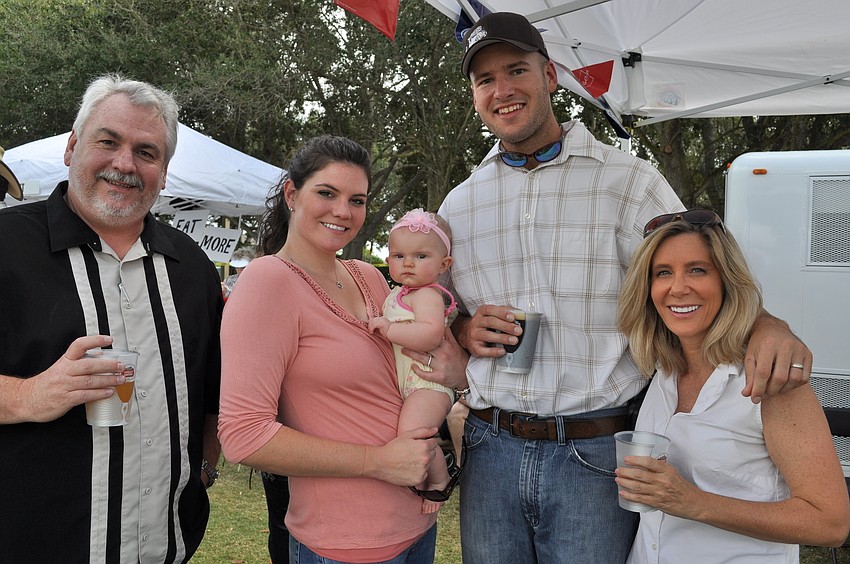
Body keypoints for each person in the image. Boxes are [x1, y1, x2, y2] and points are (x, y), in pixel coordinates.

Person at [407, 11, 814, 564]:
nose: (502, 90)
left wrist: (768, 323)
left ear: (550, 77)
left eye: (516, 70)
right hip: (489, 446)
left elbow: (702, 269)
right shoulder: (461, 203)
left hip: (596, 453)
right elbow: (442, 305)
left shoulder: (628, 182)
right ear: (475, 95)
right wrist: (460, 323)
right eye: (485, 80)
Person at [0, 74, 222, 563]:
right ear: (72, 146)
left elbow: (212, 392)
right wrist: (26, 395)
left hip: (167, 548)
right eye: (108, 141)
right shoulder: (6, 247)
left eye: (147, 152)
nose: (125, 163)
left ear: (163, 173)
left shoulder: (193, 268)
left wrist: (205, 468)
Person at [217, 135, 442, 563]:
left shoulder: (370, 277)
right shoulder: (269, 282)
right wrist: (377, 462)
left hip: (418, 526)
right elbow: (243, 437)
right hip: (344, 545)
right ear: (291, 194)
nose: (343, 211)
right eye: (326, 193)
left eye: (357, 200)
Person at [616, 209, 850, 562]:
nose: (678, 288)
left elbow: (829, 523)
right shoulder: (661, 370)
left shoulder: (771, 379)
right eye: (663, 273)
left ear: (726, 281)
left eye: (698, 270)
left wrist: (693, 502)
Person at [368, 208, 457, 514]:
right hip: (410, 384)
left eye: (421, 256)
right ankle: (425, 475)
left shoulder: (428, 295)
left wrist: (390, 329)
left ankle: (439, 477)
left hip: (428, 383)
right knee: (409, 428)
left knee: (414, 429)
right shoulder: (399, 293)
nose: (407, 263)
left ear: (444, 264)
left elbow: (431, 334)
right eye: (398, 255)